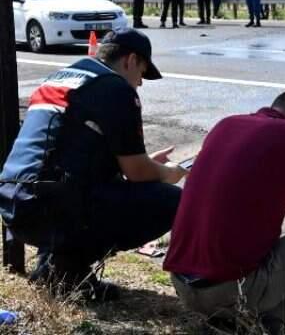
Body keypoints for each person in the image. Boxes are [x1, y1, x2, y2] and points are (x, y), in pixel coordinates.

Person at [0, 28, 187, 301]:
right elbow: (137, 173)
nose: (140, 83)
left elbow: (71, 151)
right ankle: (68, 271)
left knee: (88, 189)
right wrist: (166, 173)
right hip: (49, 207)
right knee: (171, 200)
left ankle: (54, 263)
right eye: (142, 73)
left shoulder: (63, 78)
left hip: (13, 206)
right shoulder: (116, 89)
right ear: (131, 60)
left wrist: (146, 164)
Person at [164, 91, 285, 335]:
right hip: (230, 292)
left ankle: (240, 317)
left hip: (183, 285)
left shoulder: (225, 125)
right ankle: (270, 323)